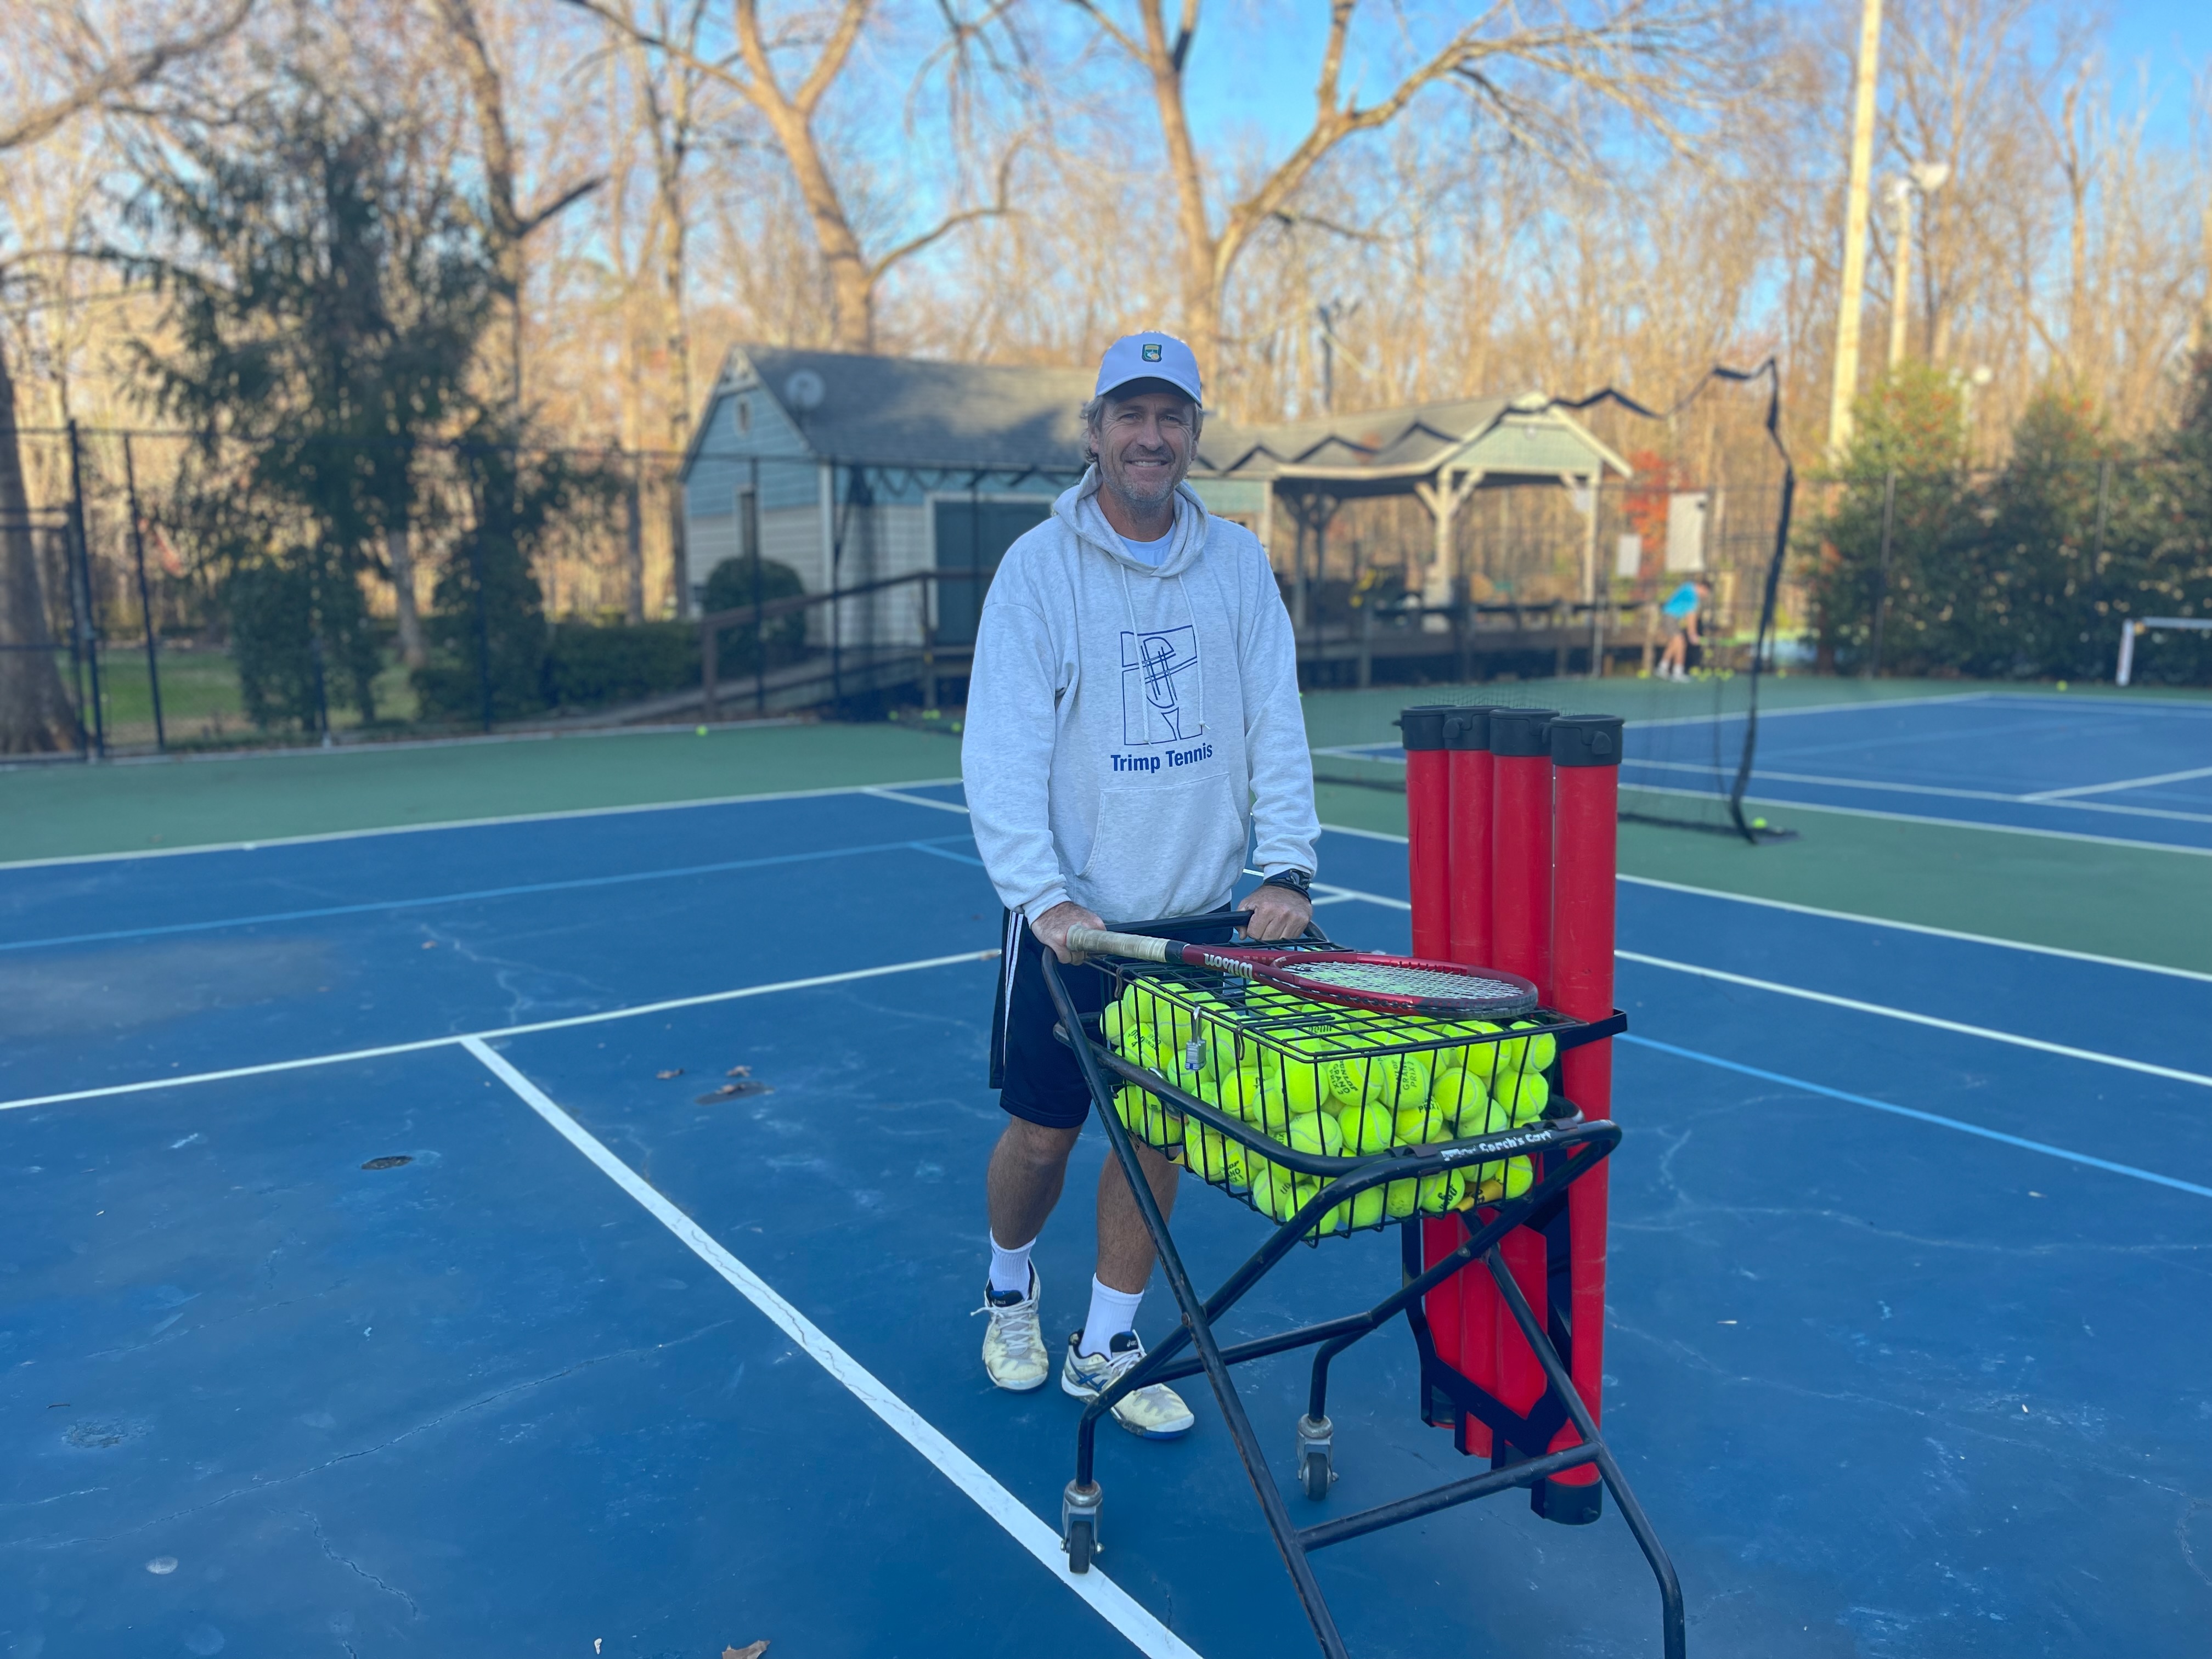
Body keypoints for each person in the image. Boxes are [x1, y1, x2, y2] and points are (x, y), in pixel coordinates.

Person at [961, 332, 1320, 1439]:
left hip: (1202, 917)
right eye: (1131, 415)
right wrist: (1045, 898)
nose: (1151, 437)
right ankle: (1009, 1288)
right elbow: (1001, 751)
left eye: (1172, 418)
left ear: (1194, 436)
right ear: (1094, 432)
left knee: (1155, 1135)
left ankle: (1107, 1341)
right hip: (1074, 927)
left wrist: (1289, 866)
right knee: (1042, 1137)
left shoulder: (1239, 563)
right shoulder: (1039, 570)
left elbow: (1276, 720)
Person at [1656, 577, 1708, 681]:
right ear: (1702, 587)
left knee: (1674, 644)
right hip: (1670, 617)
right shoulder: (1692, 595)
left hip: (1671, 617)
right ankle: (1677, 673)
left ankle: (1662, 668)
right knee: (1680, 643)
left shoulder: (1688, 587)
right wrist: (1692, 635)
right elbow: (1691, 617)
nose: (1705, 595)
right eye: (1705, 592)